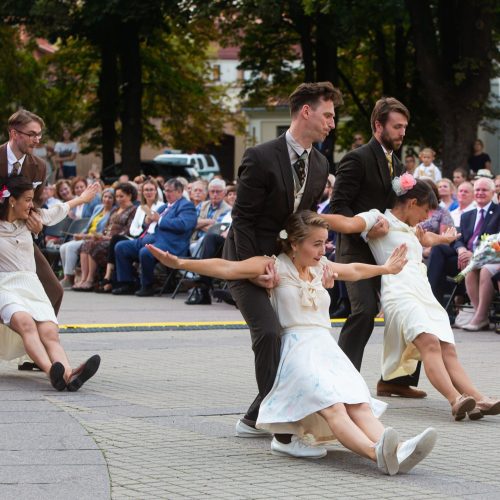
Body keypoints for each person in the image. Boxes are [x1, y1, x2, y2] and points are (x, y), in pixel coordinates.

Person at [146, 211, 437, 474]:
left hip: (326, 348)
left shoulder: (321, 266)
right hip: (298, 350)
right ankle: (377, 454)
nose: (323, 250)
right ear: (294, 244)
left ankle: (399, 450)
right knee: (334, 405)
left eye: (325, 243)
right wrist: (179, 262)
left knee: (358, 402)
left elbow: (355, 271)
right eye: (316, 244)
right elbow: (227, 268)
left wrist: (385, 269)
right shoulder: (272, 266)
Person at [222, 81, 342, 457]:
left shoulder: (321, 164)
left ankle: (255, 416)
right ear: (305, 111)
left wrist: (318, 255)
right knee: (270, 334)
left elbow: (302, 221)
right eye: (327, 114)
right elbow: (241, 219)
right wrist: (251, 268)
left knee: (299, 338)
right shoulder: (260, 156)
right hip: (247, 258)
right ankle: (284, 433)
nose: (332, 123)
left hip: (288, 263)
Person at [324, 177, 500, 420]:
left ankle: (479, 399)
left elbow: (425, 239)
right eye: (426, 210)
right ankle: (455, 399)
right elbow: (346, 223)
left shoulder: (412, 227)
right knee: (428, 342)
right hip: (399, 291)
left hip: (423, 291)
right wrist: (305, 218)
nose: (427, 216)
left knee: (447, 347)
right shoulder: (378, 218)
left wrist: (445, 239)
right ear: (413, 202)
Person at [331, 97, 425, 398]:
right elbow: (338, 206)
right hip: (356, 250)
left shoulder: (397, 165)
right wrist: (366, 226)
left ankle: (396, 380)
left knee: (410, 307)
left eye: (405, 128)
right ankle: (341, 382)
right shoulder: (356, 159)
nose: (402, 133)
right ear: (378, 125)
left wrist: (412, 225)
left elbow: (394, 209)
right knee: (365, 310)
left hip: (388, 252)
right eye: (396, 127)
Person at [0, 175, 101, 391]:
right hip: (5, 285)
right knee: (25, 323)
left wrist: (83, 199)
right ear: (11, 200)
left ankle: (68, 374)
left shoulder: (32, 219)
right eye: (27, 200)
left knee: (49, 332)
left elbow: (58, 211)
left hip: (31, 283)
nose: (31, 204)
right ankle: (51, 371)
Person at [0, 110, 64, 363]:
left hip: (19, 237)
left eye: (39, 135)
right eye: (32, 134)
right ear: (14, 133)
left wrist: (36, 224)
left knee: (54, 289)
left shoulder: (38, 166)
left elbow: (34, 203)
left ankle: (36, 354)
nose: (37, 140)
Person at [113, 178, 197, 297]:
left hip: (171, 243)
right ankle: (127, 283)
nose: (166, 194)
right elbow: (153, 223)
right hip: (150, 239)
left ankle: (147, 286)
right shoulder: (164, 207)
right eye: (165, 191)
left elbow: (183, 225)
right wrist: (147, 222)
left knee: (146, 252)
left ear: (179, 191)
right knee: (121, 247)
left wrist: (160, 220)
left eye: (170, 191)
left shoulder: (186, 206)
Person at [427, 177, 500, 307]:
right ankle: (434, 303)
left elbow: (496, 241)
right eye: (477, 190)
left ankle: (454, 306)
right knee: (438, 250)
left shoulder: (498, 212)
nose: (480, 193)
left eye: (484, 190)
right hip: (463, 259)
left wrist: (474, 254)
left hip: (485, 260)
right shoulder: (468, 215)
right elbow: (459, 237)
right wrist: (461, 250)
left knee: (441, 262)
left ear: (493, 192)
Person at [74, 183, 137, 291]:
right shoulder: (115, 210)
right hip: (105, 238)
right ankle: (84, 279)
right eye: (117, 196)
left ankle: (90, 279)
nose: (118, 199)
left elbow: (128, 230)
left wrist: (106, 238)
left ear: (130, 196)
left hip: (116, 240)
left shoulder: (133, 210)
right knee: (86, 244)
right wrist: (99, 235)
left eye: (121, 196)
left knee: (93, 245)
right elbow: (106, 228)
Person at [59, 188, 115, 289]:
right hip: (86, 235)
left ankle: (72, 278)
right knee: (63, 247)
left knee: (70, 247)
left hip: (95, 238)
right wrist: (81, 234)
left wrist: (85, 236)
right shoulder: (98, 208)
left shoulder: (113, 211)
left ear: (113, 200)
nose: (107, 199)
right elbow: (88, 225)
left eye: (110, 197)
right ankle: (68, 277)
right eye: (105, 197)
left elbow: (103, 232)